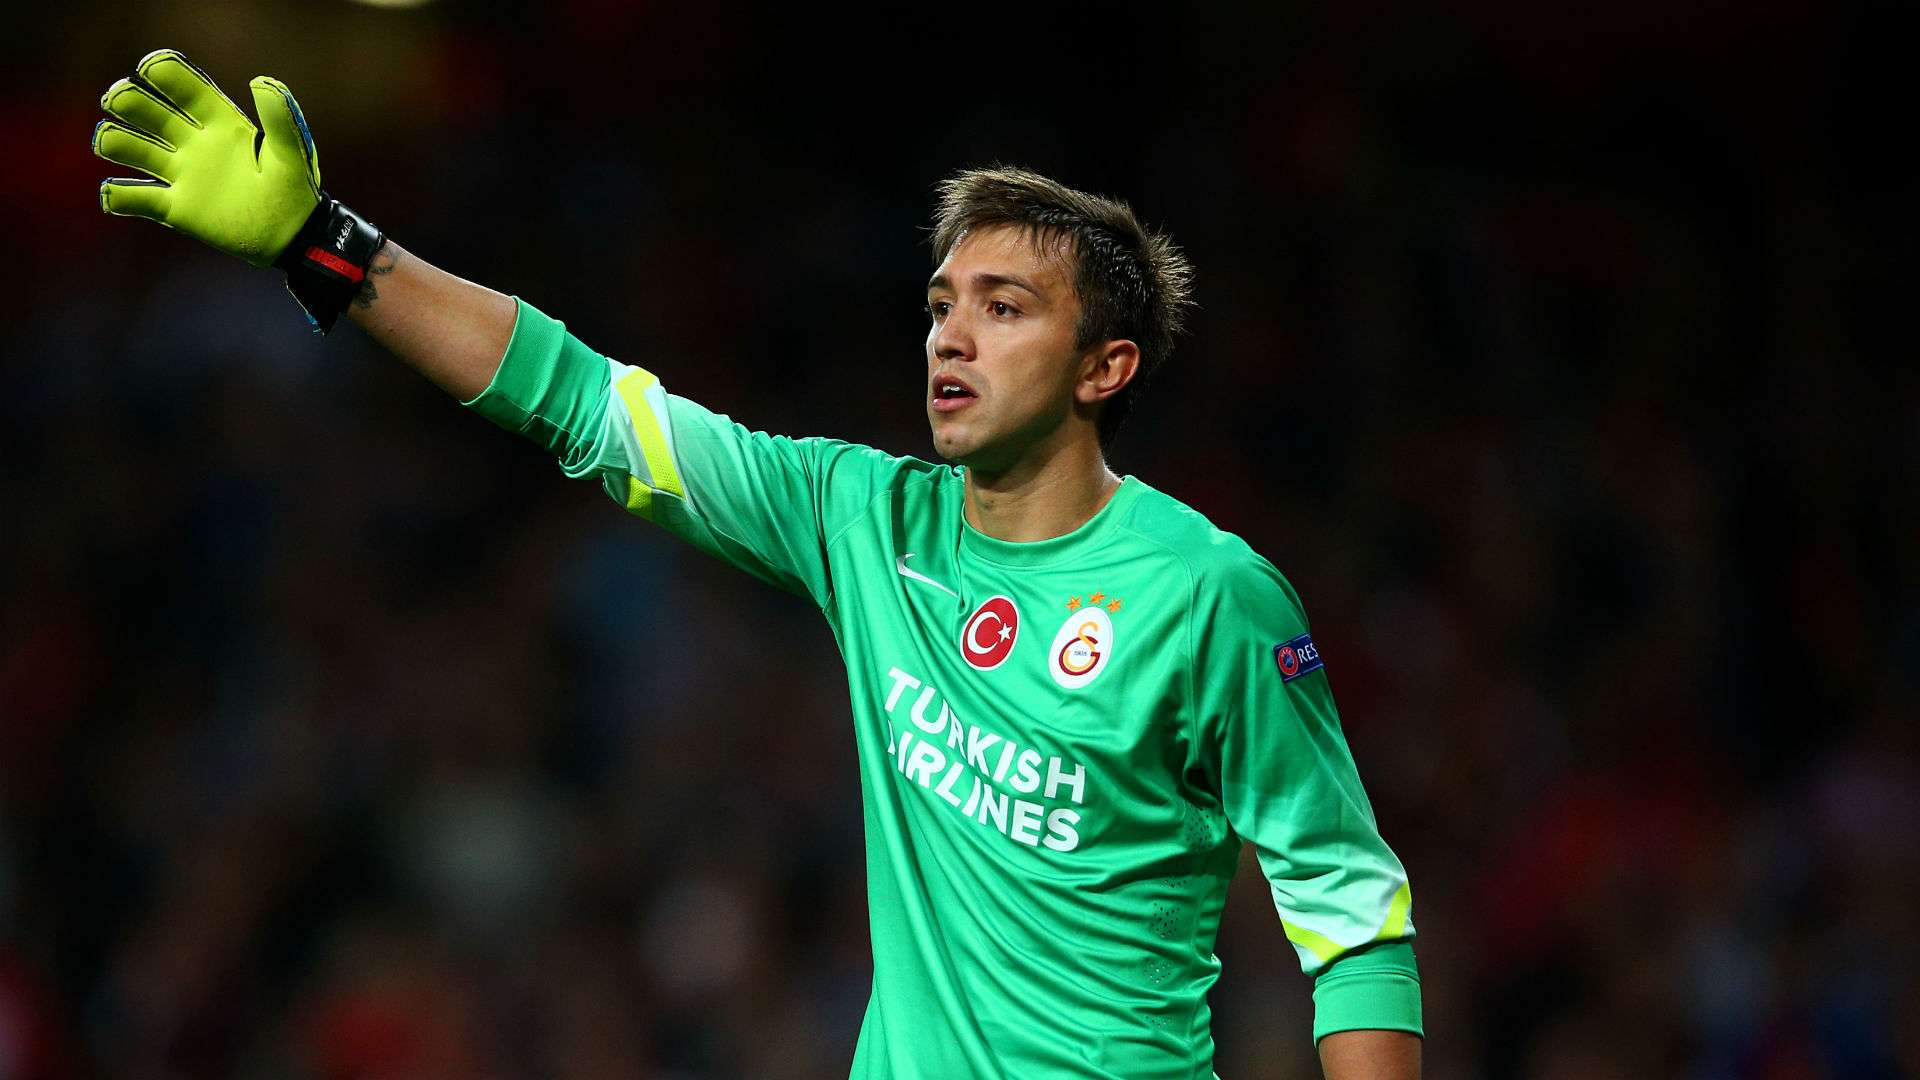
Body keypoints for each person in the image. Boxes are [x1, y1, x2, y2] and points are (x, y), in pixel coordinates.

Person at [93, 48, 1423, 1080]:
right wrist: (326, 243)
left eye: (1004, 309)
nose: (951, 339)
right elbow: (581, 402)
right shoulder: (862, 518)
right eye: (940, 307)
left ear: (1105, 366)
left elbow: (1352, 914)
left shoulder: (1209, 596)